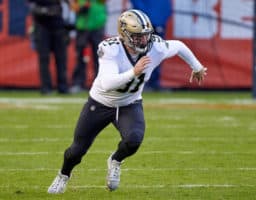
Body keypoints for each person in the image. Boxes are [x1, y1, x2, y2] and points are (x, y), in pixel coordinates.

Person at [47, 9, 207, 194]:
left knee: (134, 139)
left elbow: (178, 46)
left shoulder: (156, 46)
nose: (143, 40)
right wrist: (134, 71)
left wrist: (197, 67)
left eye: (146, 35)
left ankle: (115, 160)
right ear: (124, 34)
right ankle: (63, 175)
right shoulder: (111, 48)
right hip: (100, 103)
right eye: (137, 36)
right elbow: (107, 84)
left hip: (129, 103)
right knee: (76, 150)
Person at [27, 0, 69, 95]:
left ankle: (63, 87)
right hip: (41, 25)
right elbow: (32, 5)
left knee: (61, 58)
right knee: (44, 58)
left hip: (58, 25)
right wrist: (44, 10)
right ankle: (46, 87)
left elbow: (68, 5)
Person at [130, 0, 172, 91]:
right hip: (144, 24)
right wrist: (146, 21)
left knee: (158, 52)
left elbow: (166, 6)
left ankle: (154, 82)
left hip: (158, 23)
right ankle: (139, 83)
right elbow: (138, 5)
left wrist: (161, 20)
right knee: (141, 52)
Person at [69, 0, 107, 93]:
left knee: (99, 57)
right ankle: (78, 83)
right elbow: (73, 6)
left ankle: (101, 84)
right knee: (80, 56)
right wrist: (80, 8)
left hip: (97, 24)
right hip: (82, 26)